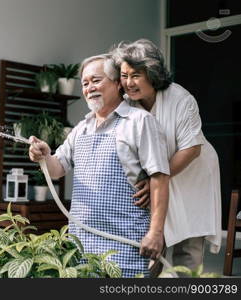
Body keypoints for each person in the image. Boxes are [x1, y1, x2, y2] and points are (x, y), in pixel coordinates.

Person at [28, 54, 170, 277]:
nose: (89, 88)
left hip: (124, 243)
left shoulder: (139, 122)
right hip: (81, 245)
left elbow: (160, 178)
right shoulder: (81, 128)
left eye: (96, 80)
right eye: (85, 83)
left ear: (117, 83)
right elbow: (57, 169)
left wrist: (155, 233)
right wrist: (45, 156)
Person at [112, 39, 221, 272]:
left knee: (187, 244)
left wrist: (155, 180)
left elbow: (191, 149)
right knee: (150, 241)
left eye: (136, 75)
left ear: (153, 73)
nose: (128, 83)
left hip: (192, 172)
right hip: (156, 176)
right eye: (124, 75)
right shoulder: (126, 104)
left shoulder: (181, 99)